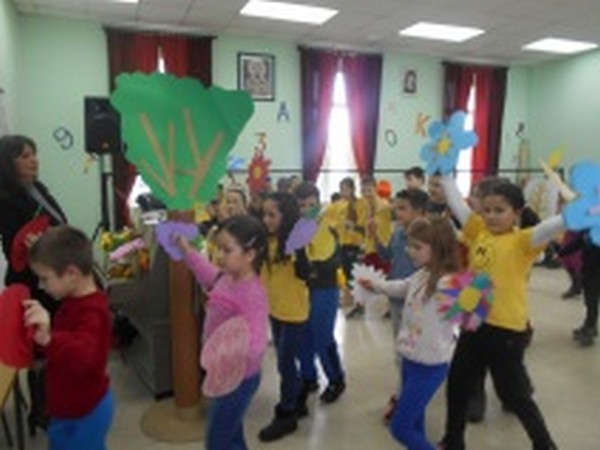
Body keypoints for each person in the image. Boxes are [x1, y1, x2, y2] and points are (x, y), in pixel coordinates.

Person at [438, 174, 564, 450]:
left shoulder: (522, 241)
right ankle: (453, 440)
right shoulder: (478, 231)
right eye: (487, 210)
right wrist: (446, 177)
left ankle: (544, 444)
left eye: (500, 210)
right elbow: (460, 208)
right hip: (473, 322)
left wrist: (576, 213)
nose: (492, 216)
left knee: (514, 394)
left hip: (506, 330)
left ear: (516, 213)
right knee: (457, 385)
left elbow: (548, 228)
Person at [360, 216, 460, 449]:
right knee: (414, 422)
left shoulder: (447, 282)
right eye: (409, 245)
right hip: (410, 359)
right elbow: (403, 286)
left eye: (417, 247)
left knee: (400, 427)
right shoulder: (423, 273)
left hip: (430, 366)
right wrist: (377, 286)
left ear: (438, 249)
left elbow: (473, 307)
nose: (409, 251)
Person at [175, 215, 269, 449]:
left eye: (227, 250)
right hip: (223, 373)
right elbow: (208, 273)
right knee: (232, 433)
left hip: (238, 378)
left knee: (216, 441)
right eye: (219, 249)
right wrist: (186, 249)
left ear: (250, 255)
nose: (219, 255)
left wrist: (224, 352)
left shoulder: (252, 293)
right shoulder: (227, 278)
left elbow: (257, 343)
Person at [23, 226, 113, 450]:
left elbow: (84, 356)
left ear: (72, 274)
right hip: (70, 408)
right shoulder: (73, 299)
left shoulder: (93, 312)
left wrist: (50, 339)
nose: (41, 286)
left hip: (83, 413)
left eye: (45, 278)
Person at [0, 134, 67, 433]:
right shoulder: (6, 200)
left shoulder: (37, 189)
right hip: (32, 282)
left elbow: (57, 221)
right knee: (39, 346)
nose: (34, 160)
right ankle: (41, 410)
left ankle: (52, 402)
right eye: (25, 156)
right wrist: (37, 246)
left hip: (52, 274)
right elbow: (13, 251)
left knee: (52, 341)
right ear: (8, 163)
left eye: (34, 153)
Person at [258, 192, 311, 442]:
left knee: (285, 364)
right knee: (284, 360)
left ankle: (287, 413)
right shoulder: (268, 242)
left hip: (294, 313)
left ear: (286, 215)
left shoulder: (295, 241)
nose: (266, 219)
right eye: (264, 214)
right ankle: (298, 398)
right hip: (276, 310)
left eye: (272, 215)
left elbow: (305, 273)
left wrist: (299, 250)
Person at [376, 188, 429, 423]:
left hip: (418, 304)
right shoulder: (398, 232)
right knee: (400, 350)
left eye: (402, 208)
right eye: (396, 207)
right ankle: (404, 392)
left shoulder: (429, 238)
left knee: (414, 350)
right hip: (396, 300)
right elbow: (386, 256)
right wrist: (375, 237)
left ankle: (408, 397)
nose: (396, 212)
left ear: (419, 212)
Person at [294, 182, 346, 404]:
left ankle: (336, 379)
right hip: (302, 290)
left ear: (318, 203)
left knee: (322, 337)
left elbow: (323, 258)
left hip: (325, 288)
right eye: (302, 205)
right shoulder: (296, 228)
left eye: (311, 205)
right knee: (303, 336)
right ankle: (309, 377)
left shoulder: (328, 227)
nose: (307, 210)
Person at [558, 230, 600, 346]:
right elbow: (578, 242)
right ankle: (589, 325)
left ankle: (590, 328)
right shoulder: (588, 230)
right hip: (589, 268)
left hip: (596, 270)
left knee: (592, 299)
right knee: (589, 299)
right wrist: (561, 253)